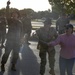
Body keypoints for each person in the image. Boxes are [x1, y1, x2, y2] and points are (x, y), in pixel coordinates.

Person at [1, 0, 23, 71]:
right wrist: (7, 6)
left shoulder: (20, 22)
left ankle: (13, 65)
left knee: (16, 54)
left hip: (17, 41)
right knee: (6, 53)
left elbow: (22, 32)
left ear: (18, 15)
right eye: (13, 14)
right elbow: (7, 14)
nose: (14, 15)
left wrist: (21, 40)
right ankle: (3, 64)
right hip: (10, 41)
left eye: (15, 14)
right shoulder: (10, 21)